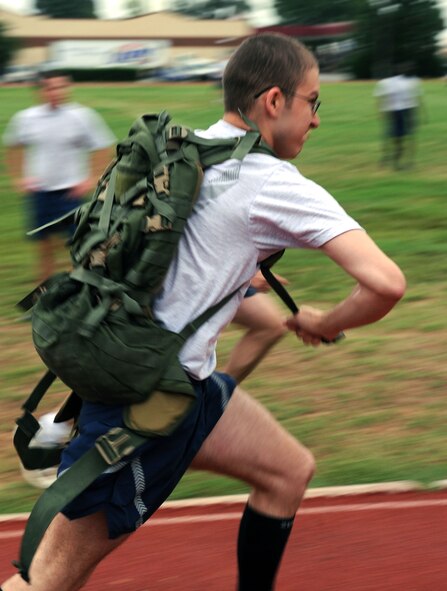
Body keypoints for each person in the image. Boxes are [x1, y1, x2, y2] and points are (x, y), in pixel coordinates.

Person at [1, 33, 406, 591]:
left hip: (175, 381)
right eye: (313, 101)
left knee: (288, 470)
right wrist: (323, 322)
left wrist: (241, 273)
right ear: (272, 101)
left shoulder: (184, 150)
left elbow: (176, 250)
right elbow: (386, 284)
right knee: (48, 579)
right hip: (145, 403)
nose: (316, 118)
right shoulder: (271, 183)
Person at [3, 70, 116, 284]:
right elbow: (12, 145)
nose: (57, 92)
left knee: (81, 245)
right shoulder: (27, 118)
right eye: (51, 87)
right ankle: (45, 292)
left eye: (62, 86)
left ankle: (82, 289)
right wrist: (19, 178)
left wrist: (92, 179)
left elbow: (104, 146)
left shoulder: (82, 116)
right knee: (44, 246)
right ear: (41, 91)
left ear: (68, 88)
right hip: (41, 194)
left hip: (70, 195)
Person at [223, 270, 289, 384]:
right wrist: (244, 275)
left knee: (272, 326)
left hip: (232, 271)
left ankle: (217, 392)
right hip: (197, 275)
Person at [374, 63, 424, 170]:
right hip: (404, 111)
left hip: (396, 111)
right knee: (406, 137)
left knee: (394, 137)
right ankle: (402, 162)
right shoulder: (412, 81)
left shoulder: (385, 82)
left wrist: (381, 112)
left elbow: (379, 98)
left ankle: (392, 160)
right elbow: (419, 99)